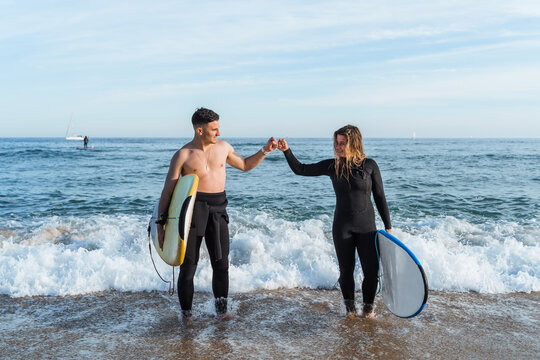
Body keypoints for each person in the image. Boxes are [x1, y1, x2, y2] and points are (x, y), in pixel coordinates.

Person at [156, 107, 278, 322]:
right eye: (214, 129)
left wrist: (265, 150)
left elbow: (245, 165)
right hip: (193, 211)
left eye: (218, 128)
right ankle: (187, 315)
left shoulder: (224, 148)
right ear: (200, 130)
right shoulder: (183, 155)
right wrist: (161, 222)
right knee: (188, 266)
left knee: (221, 264)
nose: (219, 133)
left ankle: (221, 312)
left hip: (219, 209)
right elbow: (168, 190)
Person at [277, 125, 391, 319]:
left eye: (342, 143)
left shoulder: (370, 165)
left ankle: (368, 311)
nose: (338, 147)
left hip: (367, 229)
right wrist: (287, 151)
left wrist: (388, 226)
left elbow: (380, 196)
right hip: (342, 227)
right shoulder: (333, 166)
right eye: (336, 143)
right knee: (346, 273)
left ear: (353, 143)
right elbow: (301, 169)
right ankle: (350, 312)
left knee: (371, 272)